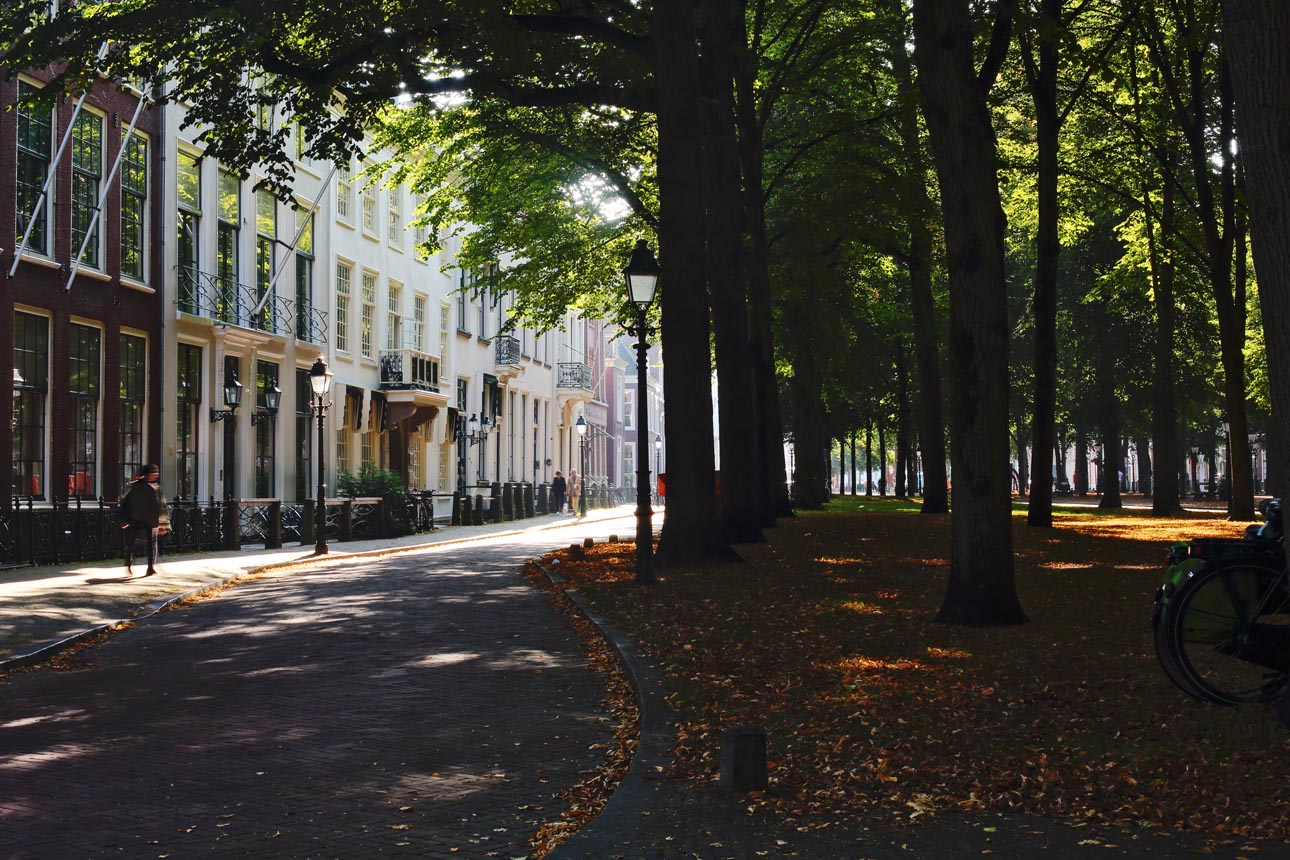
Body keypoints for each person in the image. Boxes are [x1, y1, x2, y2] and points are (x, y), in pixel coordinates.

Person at [119, 464, 170, 577]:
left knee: (132, 542)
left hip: (136, 518)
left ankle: (131, 563)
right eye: (154, 473)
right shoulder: (154, 488)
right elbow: (161, 506)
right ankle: (149, 567)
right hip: (148, 520)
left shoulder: (132, 487)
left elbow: (123, 503)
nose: (156, 475)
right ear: (149, 474)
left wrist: (123, 519)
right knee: (151, 543)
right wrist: (164, 525)